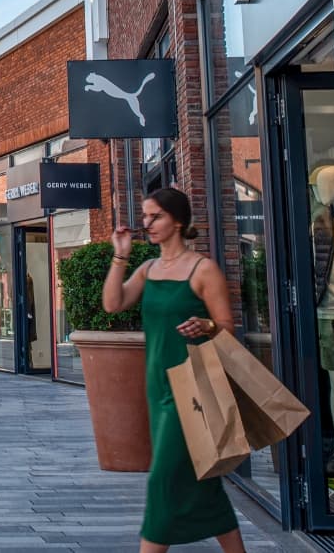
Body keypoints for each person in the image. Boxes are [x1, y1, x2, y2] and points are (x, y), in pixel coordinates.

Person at [103, 188, 245, 553]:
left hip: (192, 386)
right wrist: (121, 255)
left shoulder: (203, 269)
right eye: (145, 216)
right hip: (158, 386)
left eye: (156, 216)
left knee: (163, 480)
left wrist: (207, 326)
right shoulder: (148, 270)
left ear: (178, 221)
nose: (147, 223)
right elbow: (113, 304)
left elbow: (227, 327)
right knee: (202, 482)